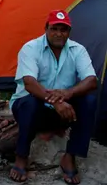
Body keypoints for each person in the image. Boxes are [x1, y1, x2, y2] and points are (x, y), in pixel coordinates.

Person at [8, 10, 97, 184]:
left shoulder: (77, 50)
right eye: (54, 28)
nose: (59, 34)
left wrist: (68, 93)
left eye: (63, 30)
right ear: (46, 29)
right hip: (32, 110)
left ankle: (70, 156)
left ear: (69, 32)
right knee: (29, 102)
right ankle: (21, 157)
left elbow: (92, 80)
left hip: (62, 112)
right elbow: (29, 83)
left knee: (89, 100)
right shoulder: (30, 48)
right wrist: (55, 102)